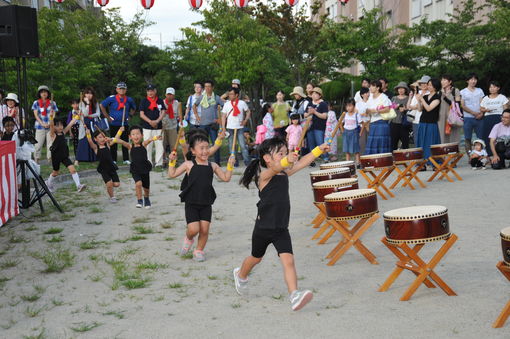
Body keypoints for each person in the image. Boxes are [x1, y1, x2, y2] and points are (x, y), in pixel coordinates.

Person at [233, 138, 330, 311]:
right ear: (267, 158)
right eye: (281, 153)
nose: (286, 156)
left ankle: (294, 295)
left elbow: (302, 162)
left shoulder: (285, 173)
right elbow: (276, 168)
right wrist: (287, 161)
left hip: (281, 229)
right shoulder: (263, 176)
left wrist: (319, 150)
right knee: (256, 258)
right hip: (263, 229)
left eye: (286, 152)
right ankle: (240, 275)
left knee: (289, 261)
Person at [168, 131, 235, 262]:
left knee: (204, 230)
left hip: (206, 202)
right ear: (193, 151)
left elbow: (226, 178)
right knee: (194, 229)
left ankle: (198, 250)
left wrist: (230, 165)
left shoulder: (213, 165)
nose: (205, 151)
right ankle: (188, 238)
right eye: (201, 148)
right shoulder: (189, 165)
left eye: (207, 148)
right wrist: (172, 162)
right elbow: (172, 174)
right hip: (191, 202)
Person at [114, 125, 161, 208]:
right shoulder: (130, 146)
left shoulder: (143, 144)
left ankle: (146, 198)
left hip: (144, 168)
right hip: (135, 169)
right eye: (133, 134)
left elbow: (150, 140)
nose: (136, 136)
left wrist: (155, 137)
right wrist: (120, 131)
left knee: (146, 188)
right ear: (130, 136)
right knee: (138, 184)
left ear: (142, 135)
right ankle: (139, 200)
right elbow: (117, 140)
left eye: (138, 134)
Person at [45, 114, 86, 193]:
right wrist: (50, 118)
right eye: (57, 125)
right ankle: (48, 183)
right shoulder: (53, 134)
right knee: (55, 172)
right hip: (56, 156)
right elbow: (51, 126)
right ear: (54, 127)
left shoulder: (63, 132)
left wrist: (76, 117)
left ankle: (78, 186)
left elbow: (70, 124)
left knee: (73, 170)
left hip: (64, 156)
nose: (60, 127)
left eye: (61, 125)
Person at [100, 82, 137, 164]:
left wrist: (130, 116)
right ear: (117, 89)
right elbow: (102, 105)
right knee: (113, 141)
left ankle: (126, 159)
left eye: (123, 88)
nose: (121, 90)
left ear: (126, 90)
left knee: (125, 140)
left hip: (124, 124)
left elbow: (134, 108)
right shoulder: (111, 98)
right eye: (120, 88)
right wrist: (107, 117)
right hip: (114, 123)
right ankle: (113, 159)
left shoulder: (129, 99)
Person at [85, 127, 120, 203]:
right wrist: (88, 134)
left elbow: (115, 139)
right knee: (109, 183)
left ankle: (109, 186)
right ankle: (112, 197)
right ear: (96, 139)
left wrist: (120, 130)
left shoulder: (108, 145)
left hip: (112, 167)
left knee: (117, 184)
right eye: (99, 137)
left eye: (103, 137)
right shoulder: (96, 148)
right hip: (103, 169)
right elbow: (90, 141)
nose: (102, 139)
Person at [193, 80, 224, 165]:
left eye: (209, 86)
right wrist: (197, 116)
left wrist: (220, 119)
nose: (207, 88)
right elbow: (194, 105)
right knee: (202, 144)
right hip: (203, 125)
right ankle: (202, 161)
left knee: (215, 143)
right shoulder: (202, 97)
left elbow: (224, 107)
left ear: (212, 87)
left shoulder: (216, 97)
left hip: (213, 125)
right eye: (205, 86)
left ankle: (217, 162)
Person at [221, 87, 251, 166]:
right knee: (231, 146)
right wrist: (223, 128)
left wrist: (245, 120)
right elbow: (223, 116)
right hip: (230, 127)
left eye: (231, 94)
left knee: (243, 145)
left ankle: (247, 162)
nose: (230, 96)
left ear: (236, 95)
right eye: (229, 94)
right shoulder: (227, 104)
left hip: (240, 128)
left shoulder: (242, 103)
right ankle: (234, 162)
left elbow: (248, 111)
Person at [415, 78, 442, 164]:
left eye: (430, 85)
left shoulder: (437, 98)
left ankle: (433, 162)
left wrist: (422, 99)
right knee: (422, 143)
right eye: (428, 84)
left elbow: (429, 108)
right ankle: (422, 163)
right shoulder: (425, 96)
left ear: (435, 87)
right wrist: (419, 100)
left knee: (431, 143)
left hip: (431, 123)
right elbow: (420, 109)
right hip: (423, 122)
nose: (428, 86)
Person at [139, 84, 165, 168]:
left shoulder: (160, 101)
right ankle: (148, 162)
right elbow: (141, 114)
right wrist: (150, 121)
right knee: (147, 145)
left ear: (155, 91)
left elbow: (163, 112)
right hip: (147, 127)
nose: (150, 92)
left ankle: (159, 163)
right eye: (148, 91)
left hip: (158, 126)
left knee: (159, 145)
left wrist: (157, 121)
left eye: (152, 90)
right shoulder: (144, 101)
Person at [480, 81, 508, 157]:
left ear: (498, 88)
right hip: (488, 118)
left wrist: (504, 118)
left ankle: (501, 154)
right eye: (490, 87)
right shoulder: (485, 98)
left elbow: (506, 109)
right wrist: (486, 110)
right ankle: (489, 154)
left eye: (494, 87)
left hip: (499, 118)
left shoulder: (502, 97)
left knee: (500, 137)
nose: (492, 89)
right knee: (488, 136)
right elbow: (481, 109)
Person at [32, 85, 58, 163]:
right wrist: (42, 124)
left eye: (45, 92)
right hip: (40, 126)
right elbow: (36, 115)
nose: (44, 93)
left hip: (50, 126)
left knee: (50, 144)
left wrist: (50, 122)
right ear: (39, 93)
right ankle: (36, 159)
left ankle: (50, 159)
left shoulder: (52, 102)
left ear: (48, 93)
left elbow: (54, 114)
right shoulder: (36, 102)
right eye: (42, 92)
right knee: (38, 144)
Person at [364, 80, 392, 154]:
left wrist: (376, 111)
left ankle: (382, 163)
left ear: (378, 88)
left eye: (373, 86)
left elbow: (387, 108)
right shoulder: (370, 97)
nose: (370, 87)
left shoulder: (383, 97)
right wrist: (368, 111)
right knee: (372, 144)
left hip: (381, 122)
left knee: (381, 144)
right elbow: (367, 110)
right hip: (373, 123)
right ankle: (373, 163)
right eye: (370, 86)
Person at [460, 73, 485, 155]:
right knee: (467, 138)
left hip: (480, 117)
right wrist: (474, 113)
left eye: (475, 79)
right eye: (471, 79)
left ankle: (481, 155)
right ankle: (470, 156)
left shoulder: (480, 90)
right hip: (468, 118)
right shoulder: (463, 92)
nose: (473, 81)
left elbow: (483, 103)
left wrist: (481, 113)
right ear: (467, 81)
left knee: (480, 137)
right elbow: (462, 105)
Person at [304, 87, 328, 161]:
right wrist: (309, 113)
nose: (313, 95)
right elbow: (305, 115)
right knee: (311, 144)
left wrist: (315, 112)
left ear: (320, 95)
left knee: (320, 143)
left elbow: (325, 116)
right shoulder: (310, 103)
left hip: (319, 127)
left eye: (315, 93)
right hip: (310, 127)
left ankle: (326, 158)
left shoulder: (323, 104)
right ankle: (312, 160)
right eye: (312, 93)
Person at [77, 87, 100, 163]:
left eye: (91, 93)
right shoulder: (81, 103)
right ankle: (81, 158)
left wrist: (90, 116)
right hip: (84, 123)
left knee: (93, 139)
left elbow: (98, 114)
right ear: (84, 94)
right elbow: (85, 113)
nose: (89, 95)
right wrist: (87, 103)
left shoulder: (95, 102)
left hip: (93, 123)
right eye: (87, 93)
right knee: (83, 139)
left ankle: (93, 158)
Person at [439, 75, 462, 143]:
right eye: (442, 80)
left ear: (450, 82)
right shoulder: (439, 91)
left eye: (445, 80)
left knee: (453, 136)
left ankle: (454, 151)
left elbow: (457, 103)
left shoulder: (455, 90)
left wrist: (445, 97)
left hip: (452, 117)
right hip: (441, 117)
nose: (442, 82)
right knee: (442, 136)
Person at [408, 76, 430, 145]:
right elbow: (410, 106)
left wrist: (418, 105)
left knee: (426, 140)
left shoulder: (430, 93)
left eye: (425, 83)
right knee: (417, 140)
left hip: (427, 120)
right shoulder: (417, 92)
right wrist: (418, 105)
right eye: (422, 83)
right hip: (416, 120)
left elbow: (424, 107)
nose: (423, 85)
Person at [339, 99, 362, 163]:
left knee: (356, 149)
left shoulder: (356, 115)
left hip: (354, 132)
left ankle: (358, 163)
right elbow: (340, 122)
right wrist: (342, 130)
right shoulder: (344, 114)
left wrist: (360, 133)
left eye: (350, 106)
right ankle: (347, 163)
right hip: (346, 132)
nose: (348, 108)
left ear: (354, 106)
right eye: (347, 106)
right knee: (347, 149)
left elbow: (362, 124)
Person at [162, 87, 180, 166]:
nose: (169, 96)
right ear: (165, 94)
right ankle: (163, 160)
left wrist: (180, 120)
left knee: (173, 145)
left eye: (171, 94)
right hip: (163, 126)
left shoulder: (177, 103)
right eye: (168, 94)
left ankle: (174, 160)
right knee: (163, 145)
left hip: (173, 126)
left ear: (174, 95)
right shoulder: (161, 102)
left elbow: (180, 115)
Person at [390, 82, 411, 150]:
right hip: (394, 122)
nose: (400, 90)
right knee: (393, 143)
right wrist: (397, 106)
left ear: (405, 90)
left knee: (405, 143)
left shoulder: (408, 98)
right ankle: (393, 159)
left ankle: (405, 159)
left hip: (404, 123)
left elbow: (410, 108)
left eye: (402, 88)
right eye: (399, 88)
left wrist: (405, 109)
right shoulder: (394, 98)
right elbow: (390, 106)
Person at [356, 87, 371, 154]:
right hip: (361, 124)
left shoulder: (371, 102)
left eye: (368, 92)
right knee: (362, 142)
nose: (367, 94)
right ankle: (362, 157)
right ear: (362, 95)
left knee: (370, 141)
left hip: (370, 123)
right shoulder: (358, 103)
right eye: (366, 93)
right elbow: (356, 113)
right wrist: (363, 114)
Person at [66, 99, 81, 164]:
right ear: (71, 105)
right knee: (76, 144)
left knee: (81, 143)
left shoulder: (81, 111)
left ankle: (82, 157)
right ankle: (76, 158)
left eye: (77, 103)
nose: (75, 105)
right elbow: (69, 123)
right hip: (74, 128)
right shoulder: (71, 113)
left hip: (81, 128)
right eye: (74, 104)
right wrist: (70, 132)